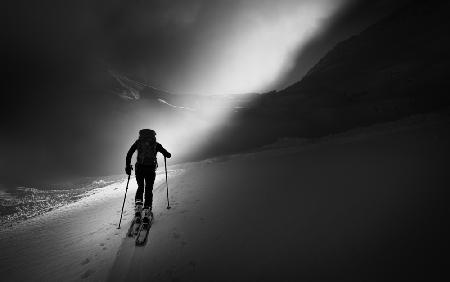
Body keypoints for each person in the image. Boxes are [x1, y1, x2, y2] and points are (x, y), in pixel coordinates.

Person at [125, 129, 171, 223]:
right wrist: (167, 154)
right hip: (150, 169)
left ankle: (138, 208)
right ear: (153, 136)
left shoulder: (138, 142)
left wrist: (128, 166)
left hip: (139, 169)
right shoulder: (155, 144)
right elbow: (167, 154)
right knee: (148, 189)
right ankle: (147, 210)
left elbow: (129, 154)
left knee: (140, 187)